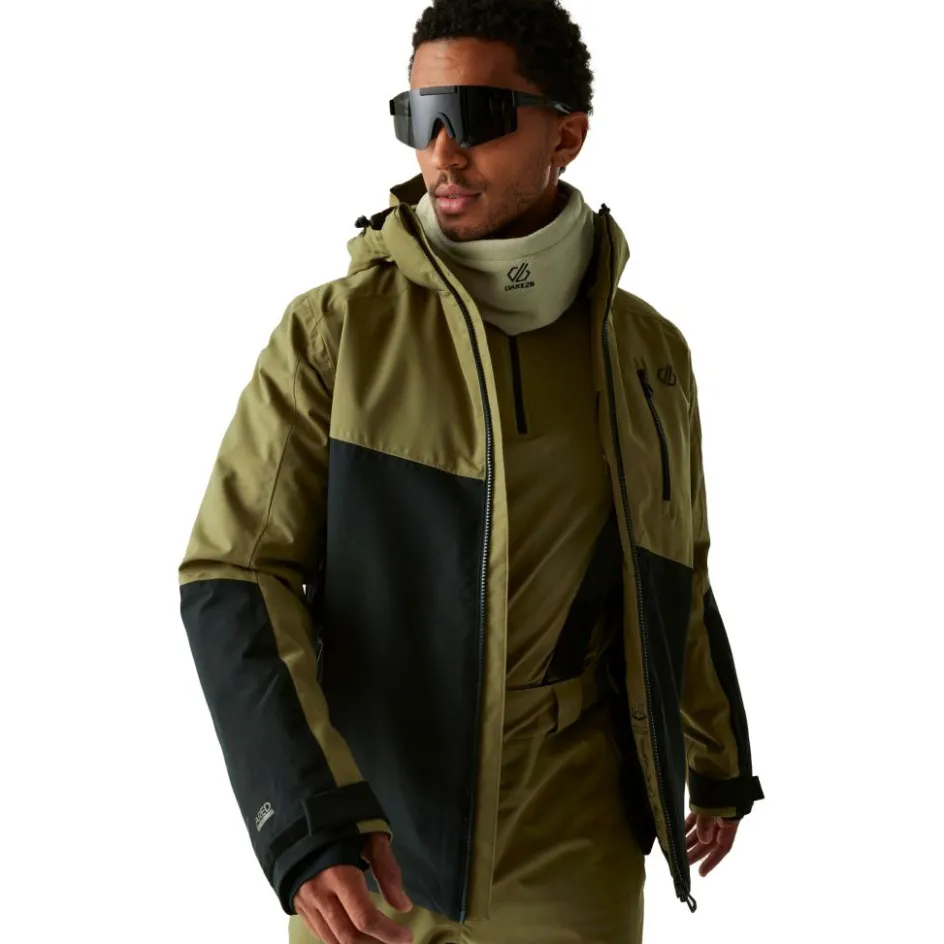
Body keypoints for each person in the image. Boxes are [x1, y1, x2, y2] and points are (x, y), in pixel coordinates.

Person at [178, 1, 765, 942]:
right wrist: (305, 821)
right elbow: (233, 575)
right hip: (378, 828)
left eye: (478, 116)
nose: (442, 152)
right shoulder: (337, 332)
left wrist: (720, 762)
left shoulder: (645, 351)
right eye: (420, 117)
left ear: (565, 136)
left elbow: (674, 572)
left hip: (576, 824)